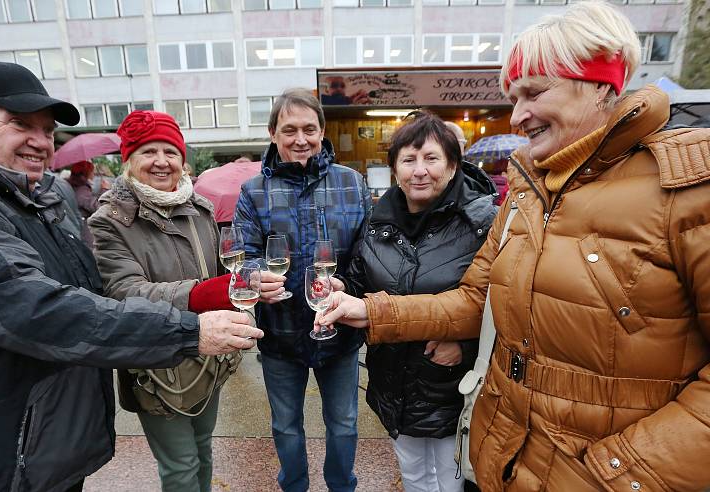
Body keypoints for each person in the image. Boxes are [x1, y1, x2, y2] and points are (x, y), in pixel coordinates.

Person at [316, 2, 710, 490]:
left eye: (534, 93)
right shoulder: (527, 191)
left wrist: (621, 472)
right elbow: (476, 302)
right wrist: (370, 312)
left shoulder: (689, 187)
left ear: (604, 86)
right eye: (513, 96)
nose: (518, 115)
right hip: (507, 462)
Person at [0, 61, 262, 492]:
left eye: (47, 130)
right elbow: (38, 308)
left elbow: (87, 293)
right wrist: (191, 324)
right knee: (182, 466)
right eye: (21, 124)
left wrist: (239, 288)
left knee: (201, 450)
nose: (40, 142)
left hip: (50, 432)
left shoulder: (35, 199)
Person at [340, 112, 496, 491]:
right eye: (408, 160)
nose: (419, 171)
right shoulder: (378, 222)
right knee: (412, 473)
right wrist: (338, 286)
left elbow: (499, 301)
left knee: (451, 476)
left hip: (451, 383)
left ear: (453, 164)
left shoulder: (482, 222)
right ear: (394, 168)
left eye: (431, 158)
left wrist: (465, 344)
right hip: (395, 378)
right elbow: (361, 277)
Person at [89, 110, 236, 492]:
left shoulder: (200, 209)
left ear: (182, 159)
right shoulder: (110, 220)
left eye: (169, 151)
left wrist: (246, 281)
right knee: (180, 465)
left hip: (209, 357)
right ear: (129, 161)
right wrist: (200, 294)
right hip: (156, 365)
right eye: (147, 152)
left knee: (204, 449)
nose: (161, 161)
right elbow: (124, 291)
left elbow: (220, 271)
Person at [234, 88, 371, 492]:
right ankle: (294, 486)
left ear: (322, 131)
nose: (300, 139)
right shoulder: (253, 191)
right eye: (289, 129)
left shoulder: (352, 184)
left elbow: (369, 253)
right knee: (286, 426)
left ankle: (341, 485)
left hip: (340, 330)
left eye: (309, 129)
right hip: (281, 333)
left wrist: (348, 282)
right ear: (273, 132)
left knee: (344, 425)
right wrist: (257, 275)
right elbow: (243, 256)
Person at [67, 160, 106, 247]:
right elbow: (99, 207)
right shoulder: (82, 190)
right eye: (92, 171)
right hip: (83, 232)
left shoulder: (71, 185)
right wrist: (104, 190)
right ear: (87, 173)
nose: (93, 174)